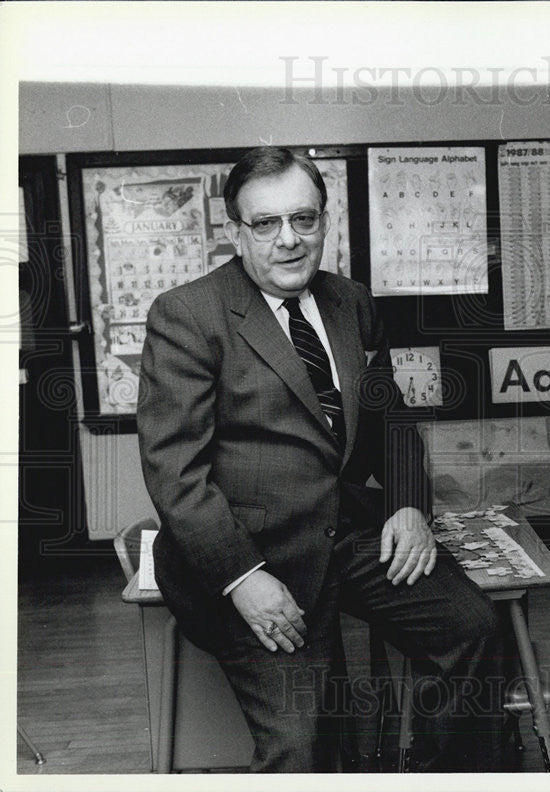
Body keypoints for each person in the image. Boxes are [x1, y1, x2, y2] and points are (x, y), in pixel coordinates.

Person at [137, 146, 503, 772]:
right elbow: (176, 475)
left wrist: (410, 504)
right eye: (267, 223)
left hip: (346, 533)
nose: (289, 239)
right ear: (236, 232)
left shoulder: (351, 302)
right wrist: (242, 579)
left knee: (472, 627)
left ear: (325, 223)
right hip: (253, 555)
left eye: (304, 220)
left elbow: (394, 422)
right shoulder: (187, 316)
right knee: (301, 747)